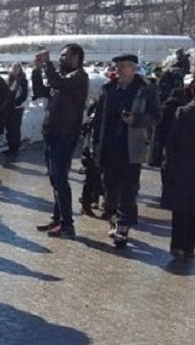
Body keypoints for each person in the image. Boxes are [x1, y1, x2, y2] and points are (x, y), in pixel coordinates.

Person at [92, 53, 161, 248]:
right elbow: (99, 119)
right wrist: (94, 143)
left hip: (132, 147)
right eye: (117, 67)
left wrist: (137, 120)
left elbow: (156, 116)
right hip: (109, 146)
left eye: (123, 66)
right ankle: (114, 219)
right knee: (110, 187)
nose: (119, 70)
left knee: (128, 189)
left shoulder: (145, 90)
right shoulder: (108, 89)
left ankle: (123, 227)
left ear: (133, 68)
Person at [34, 44, 89, 239]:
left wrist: (48, 63)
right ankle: (57, 219)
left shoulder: (79, 77)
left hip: (65, 134)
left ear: (76, 57)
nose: (61, 59)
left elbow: (58, 83)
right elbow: (42, 90)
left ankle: (67, 224)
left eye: (64, 56)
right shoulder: (62, 77)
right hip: (52, 132)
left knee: (60, 178)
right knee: (54, 178)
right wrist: (36, 69)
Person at [161, 97, 195, 259]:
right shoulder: (183, 113)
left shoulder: (183, 113)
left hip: (183, 168)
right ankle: (183, 246)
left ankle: (184, 246)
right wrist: (169, 164)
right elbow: (172, 142)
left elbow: (171, 143)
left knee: (183, 209)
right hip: (183, 168)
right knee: (182, 209)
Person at [3, 62, 29, 157]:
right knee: (9, 127)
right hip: (9, 107)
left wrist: (16, 102)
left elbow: (24, 94)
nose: (14, 70)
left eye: (17, 68)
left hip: (18, 107)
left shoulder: (22, 80)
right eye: (13, 68)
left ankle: (15, 148)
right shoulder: (9, 80)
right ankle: (10, 147)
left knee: (15, 127)